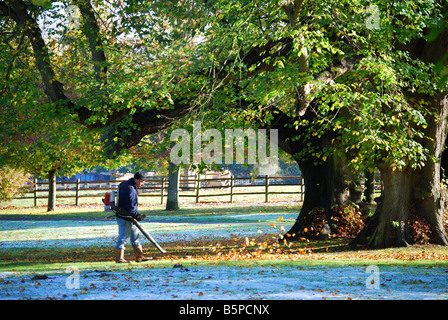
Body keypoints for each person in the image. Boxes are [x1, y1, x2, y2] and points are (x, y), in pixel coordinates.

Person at [114, 172, 151, 263]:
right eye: (142, 182)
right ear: (136, 180)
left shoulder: (127, 185)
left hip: (129, 216)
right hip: (125, 217)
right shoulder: (130, 189)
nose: (142, 184)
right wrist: (138, 215)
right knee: (123, 238)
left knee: (135, 237)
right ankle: (119, 258)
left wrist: (136, 215)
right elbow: (130, 207)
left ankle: (140, 257)